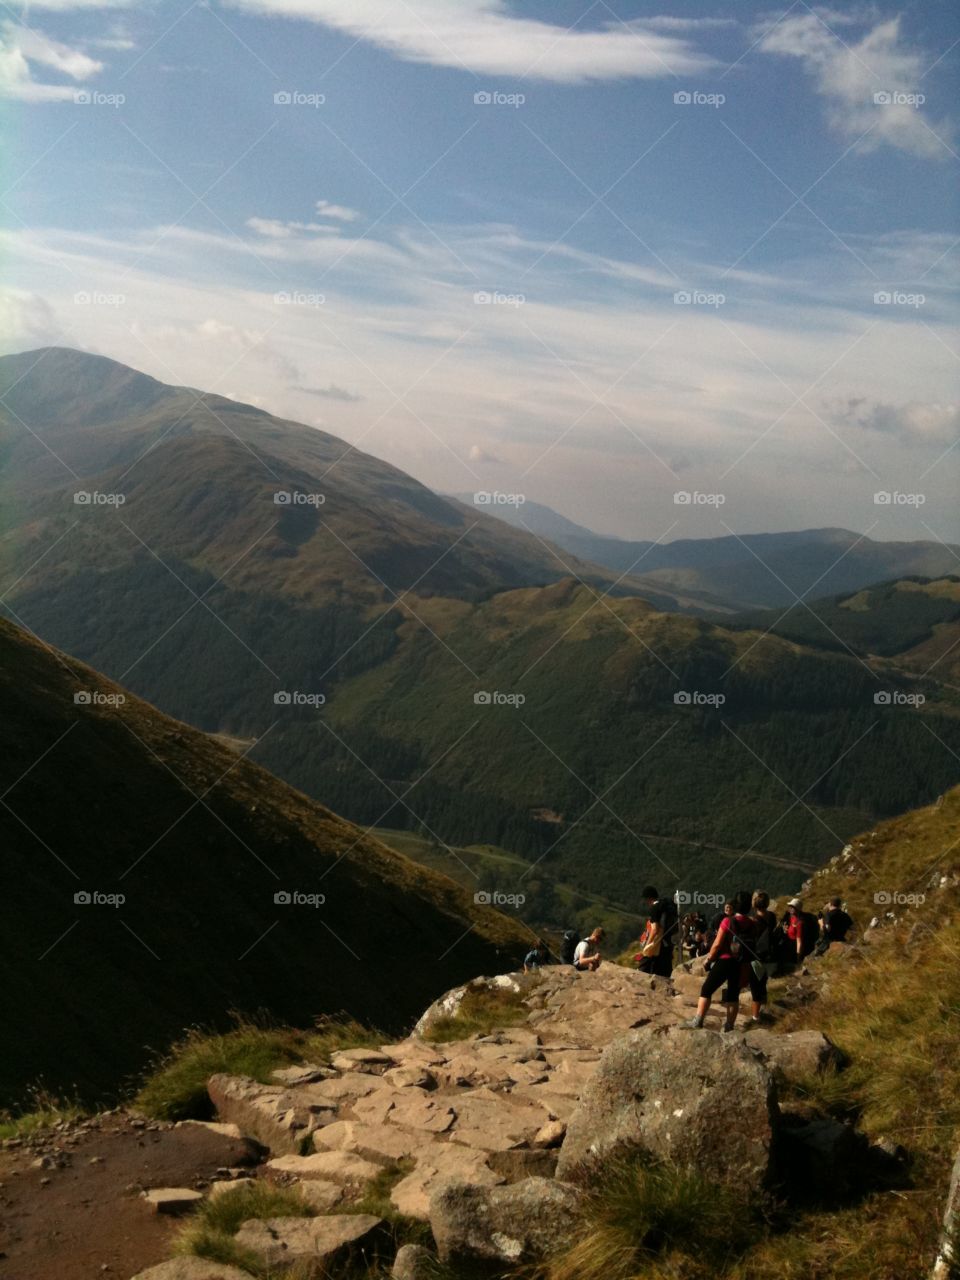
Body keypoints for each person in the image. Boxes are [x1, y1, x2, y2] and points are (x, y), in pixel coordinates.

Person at [680, 890, 765, 1032]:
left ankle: (698, 1020)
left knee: (707, 989)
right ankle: (729, 1027)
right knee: (733, 995)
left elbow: (717, 944)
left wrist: (708, 960)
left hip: (725, 960)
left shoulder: (728, 921)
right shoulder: (752, 924)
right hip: (742, 963)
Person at [747, 891, 777, 1024]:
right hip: (770, 955)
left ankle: (756, 1017)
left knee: (755, 988)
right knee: (763, 982)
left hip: (756, 957)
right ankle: (764, 1009)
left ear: (754, 904)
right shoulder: (772, 917)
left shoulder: (753, 921)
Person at [637, 885, 679, 977]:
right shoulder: (666, 906)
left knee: (644, 971)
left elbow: (655, 929)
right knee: (665, 973)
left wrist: (648, 944)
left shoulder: (654, 908)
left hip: (658, 945)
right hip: (668, 943)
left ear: (648, 898)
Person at [784, 897, 819, 964]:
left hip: (794, 947)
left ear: (797, 909)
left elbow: (799, 942)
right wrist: (787, 930)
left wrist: (798, 957)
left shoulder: (800, 923)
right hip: (790, 943)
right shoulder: (792, 916)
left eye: (792, 907)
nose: (790, 908)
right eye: (789, 906)